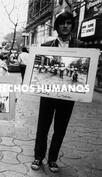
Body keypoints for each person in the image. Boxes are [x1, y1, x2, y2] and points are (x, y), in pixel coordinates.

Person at [31, 12, 84, 173]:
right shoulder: (47, 46)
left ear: (72, 26)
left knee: (60, 128)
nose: (66, 26)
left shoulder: (80, 46)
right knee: (43, 126)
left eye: (69, 23)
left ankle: (53, 159)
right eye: (62, 23)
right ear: (57, 26)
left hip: (68, 96)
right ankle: (39, 156)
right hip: (48, 93)